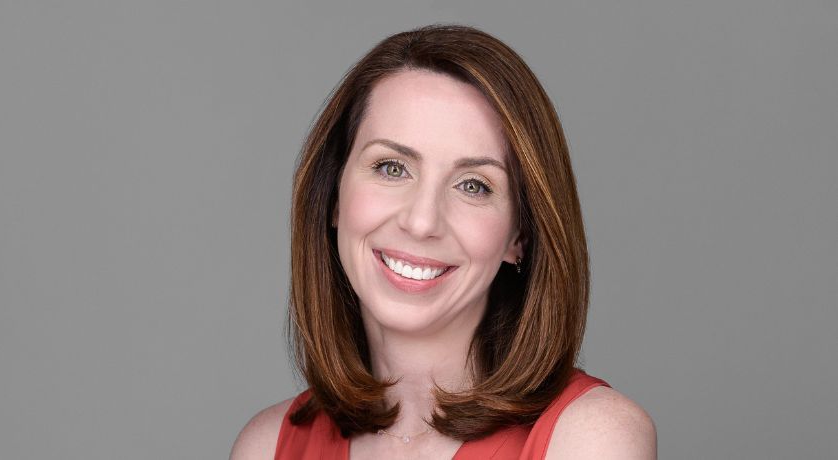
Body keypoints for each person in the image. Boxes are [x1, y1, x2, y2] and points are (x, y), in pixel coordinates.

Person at [231, 24, 656, 459]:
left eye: (473, 185)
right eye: (392, 168)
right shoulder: (266, 447)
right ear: (334, 197)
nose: (421, 221)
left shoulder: (592, 438)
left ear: (520, 237)